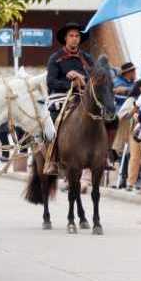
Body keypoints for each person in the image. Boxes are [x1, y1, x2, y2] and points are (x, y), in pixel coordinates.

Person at [44, 22, 95, 175]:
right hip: (62, 97)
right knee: (52, 121)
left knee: (107, 116)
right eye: (71, 36)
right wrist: (70, 83)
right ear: (66, 39)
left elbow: (94, 77)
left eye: (77, 36)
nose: (74, 39)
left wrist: (83, 79)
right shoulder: (56, 58)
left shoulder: (87, 58)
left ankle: (105, 155)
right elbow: (51, 81)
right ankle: (51, 159)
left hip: (85, 96)